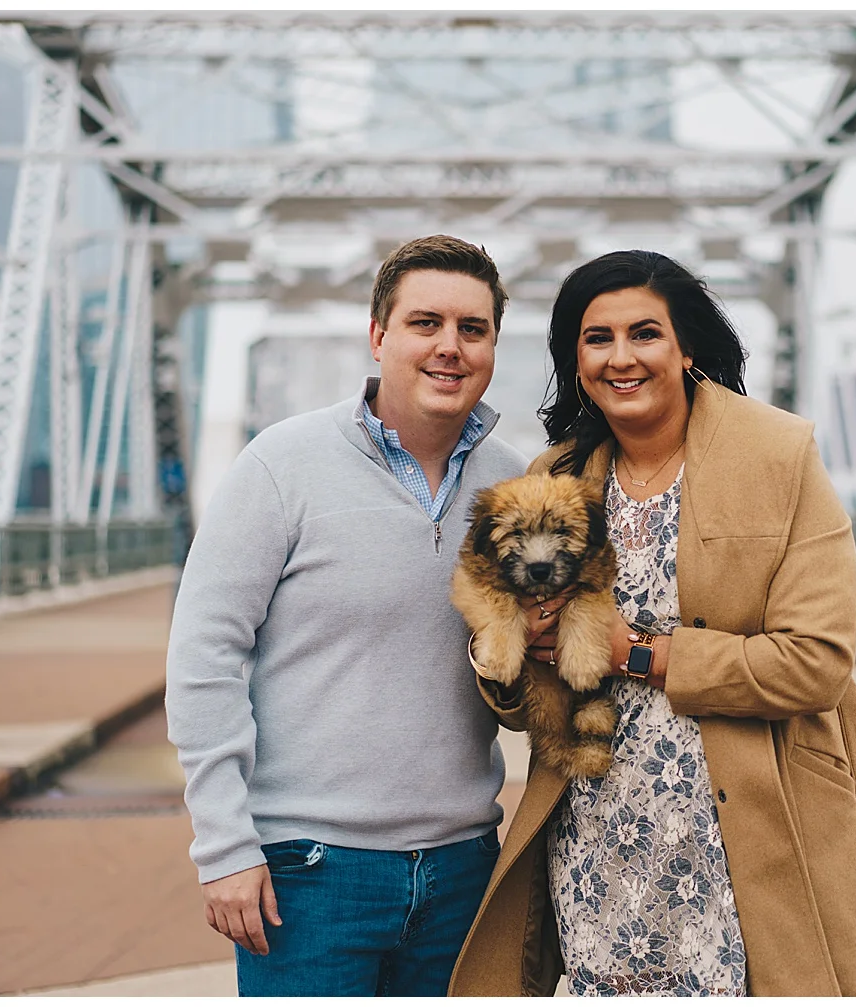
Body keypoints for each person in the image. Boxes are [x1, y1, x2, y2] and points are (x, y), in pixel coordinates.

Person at [448, 250, 856, 996]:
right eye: (597, 339)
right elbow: (522, 695)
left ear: (685, 347)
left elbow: (816, 662)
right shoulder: (556, 476)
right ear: (577, 360)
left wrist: (640, 655)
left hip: (746, 830)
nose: (621, 357)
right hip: (598, 833)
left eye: (644, 334)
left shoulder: (778, 455)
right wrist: (508, 650)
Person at [164, 235, 528, 997]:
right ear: (378, 335)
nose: (450, 347)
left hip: (465, 866)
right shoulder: (281, 464)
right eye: (425, 323)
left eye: (473, 328)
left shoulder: (513, 482)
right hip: (309, 873)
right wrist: (225, 846)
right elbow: (203, 656)